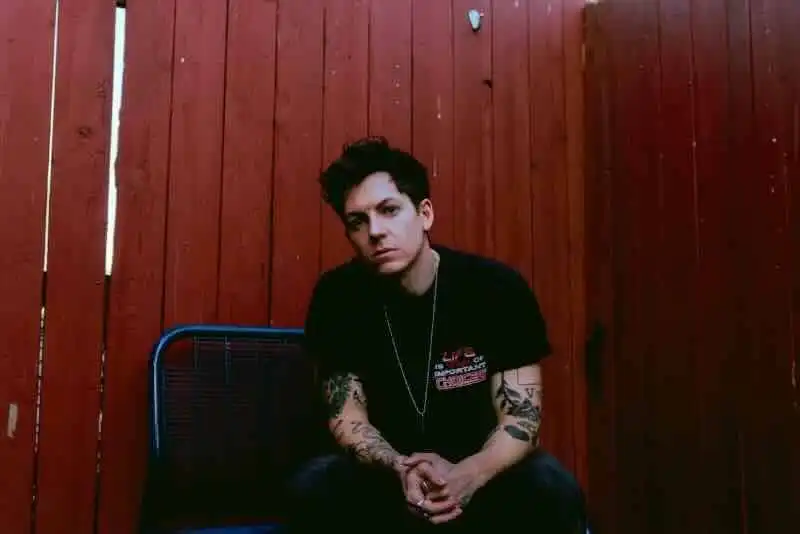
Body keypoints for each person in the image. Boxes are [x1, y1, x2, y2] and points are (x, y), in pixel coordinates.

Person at [287, 137, 587, 533]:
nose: (375, 231)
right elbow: (347, 416)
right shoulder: (338, 296)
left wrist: (469, 475)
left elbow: (521, 418)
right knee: (313, 488)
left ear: (424, 213)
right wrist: (399, 468)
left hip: (482, 469)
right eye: (357, 221)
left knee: (552, 489)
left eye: (389, 210)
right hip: (386, 474)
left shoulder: (494, 288)